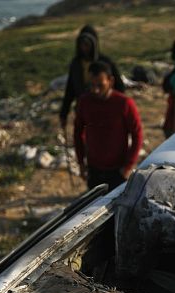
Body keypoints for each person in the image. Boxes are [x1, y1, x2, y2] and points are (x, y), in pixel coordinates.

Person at [73, 61, 143, 191]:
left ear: (110, 81)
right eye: (92, 85)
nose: (95, 90)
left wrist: (127, 167)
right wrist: (81, 163)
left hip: (118, 170)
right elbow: (78, 132)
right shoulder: (85, 102)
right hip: (94, 169)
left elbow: (137, 134)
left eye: (100, 85)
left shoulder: (124, 104)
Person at [59, 25, 126, 134]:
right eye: (82, 44)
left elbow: (120, 87)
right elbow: (70, 89)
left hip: (105, 108)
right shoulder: (76, 64)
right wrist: (63, 113)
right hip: (83, 109)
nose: (84, 48)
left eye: (87, 44)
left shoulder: (106, 63)